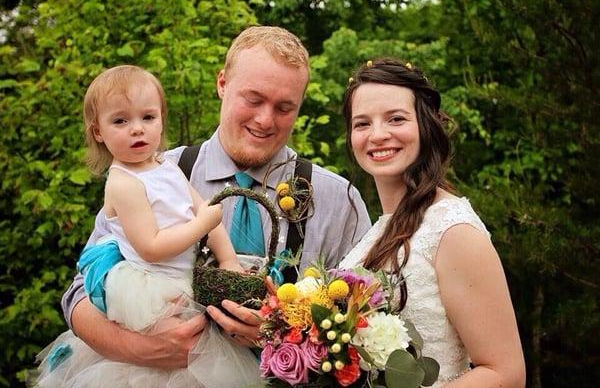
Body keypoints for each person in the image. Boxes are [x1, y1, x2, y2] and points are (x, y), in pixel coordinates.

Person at [60, 26, 372, 369]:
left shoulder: (339, 201)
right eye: (253, 100)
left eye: (284, 107)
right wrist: (141, 349)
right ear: (222, 84)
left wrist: (284, 333)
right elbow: (79, 294)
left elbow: (365, 324)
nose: (265, 119)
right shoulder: (153, 173)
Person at [36, 65, 261, 387]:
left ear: (161, 119)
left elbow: (203, 210)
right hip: (150, 288)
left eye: (148, 117)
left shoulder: (164, 165)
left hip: (181, 280)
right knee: (160, 371)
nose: (137, 130)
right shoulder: (123, 183)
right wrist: (202, 224)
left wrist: (227, 260)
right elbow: (151, 247)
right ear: (98, 131)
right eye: (120, 121)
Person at [339, 59, 526, 387]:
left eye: (396, 119)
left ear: (425, 125)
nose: (378, 135)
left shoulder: (452, 230)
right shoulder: (377, 231)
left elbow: (506, 375)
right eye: (362, 123)